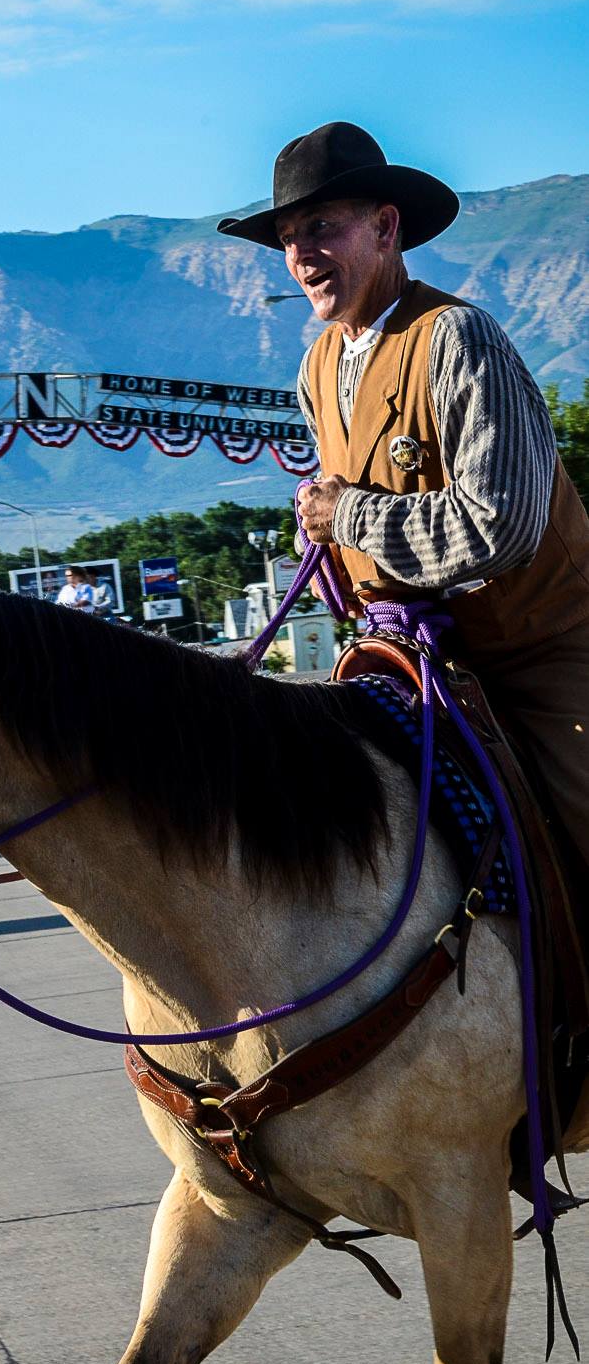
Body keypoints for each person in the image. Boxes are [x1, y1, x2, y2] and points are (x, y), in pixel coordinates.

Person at [218, 119, 589, 867]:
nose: (299, 256)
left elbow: (502, 526)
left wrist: (345, 514)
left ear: (386, 228)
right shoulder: (318, 368)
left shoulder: (459, 338)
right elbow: (358, 511)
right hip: (410, 661)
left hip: (538, 660)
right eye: (288, 237)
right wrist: (318, 539)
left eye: (321, 227)